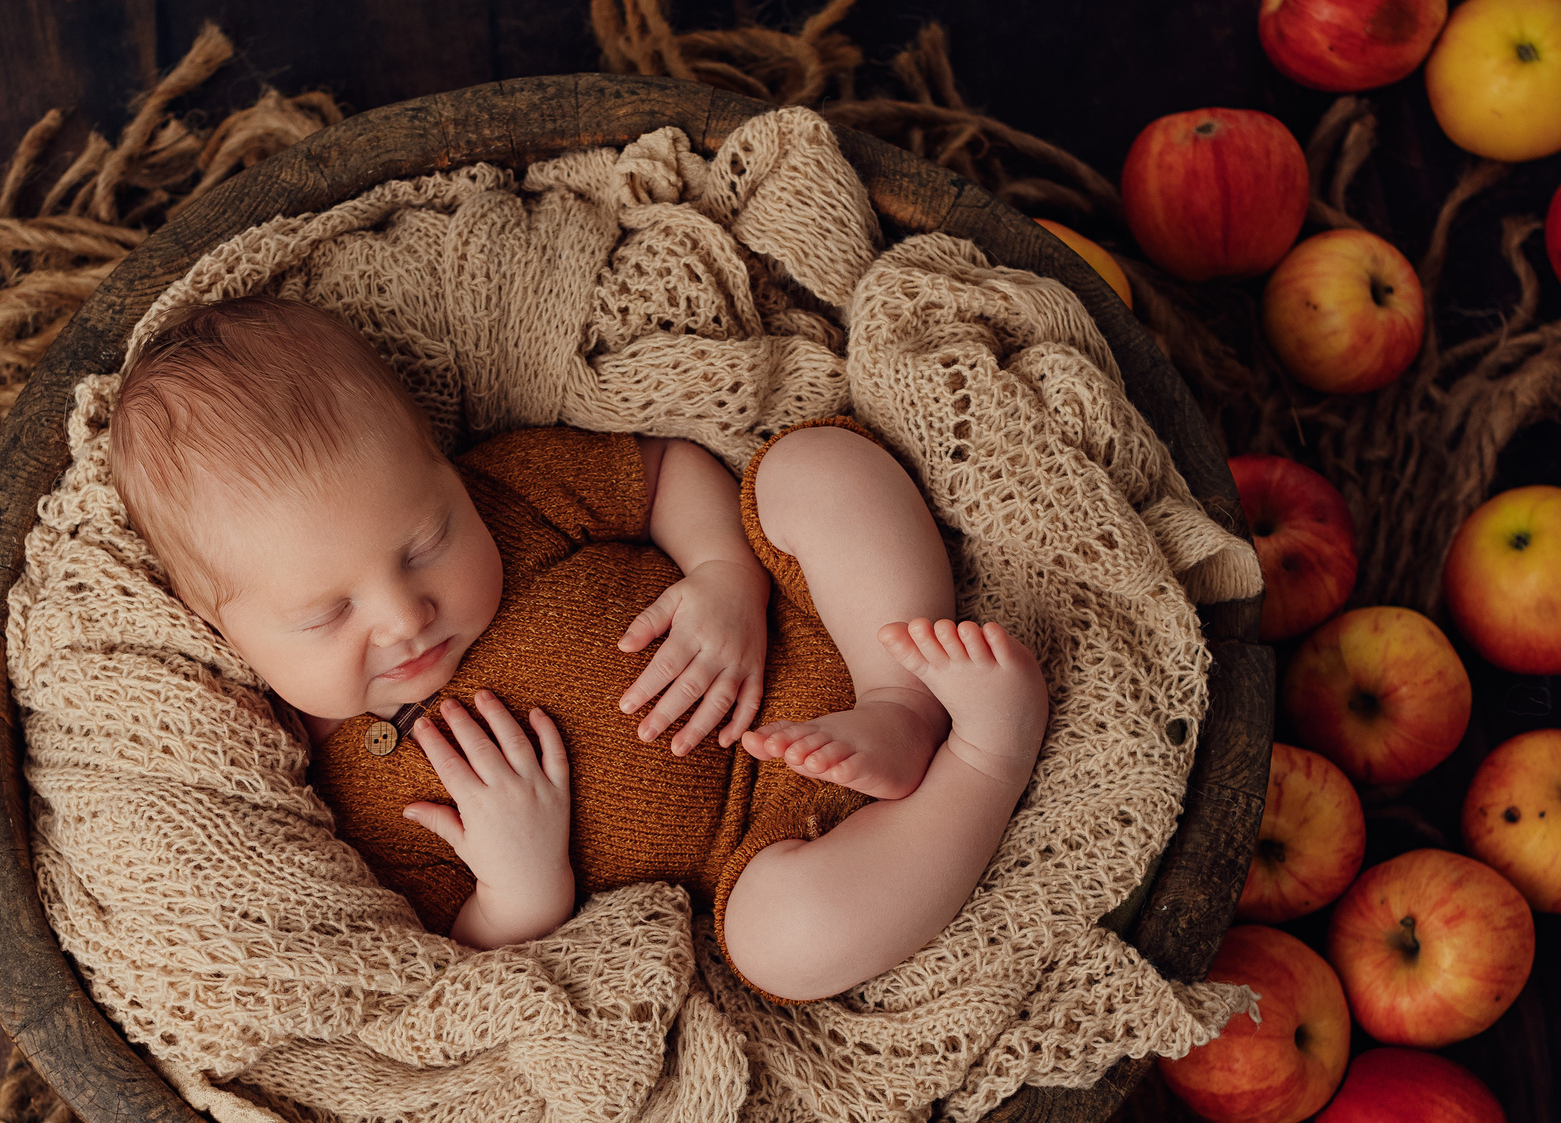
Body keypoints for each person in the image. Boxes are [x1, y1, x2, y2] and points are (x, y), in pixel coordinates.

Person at [108, 295, 1049, 1002]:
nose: (405, 614)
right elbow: (459, 951)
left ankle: (903, 701)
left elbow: (664, 468)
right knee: (785, 945)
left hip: (817, 630)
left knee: (815, 469)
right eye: (325, 615)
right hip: (750, 849)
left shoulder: (508, 492)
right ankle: (983, 759)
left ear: (445, 468)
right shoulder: (344, 788)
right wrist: (519, 884)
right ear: (221, 628)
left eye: (427, 542)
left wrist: (726, 576)